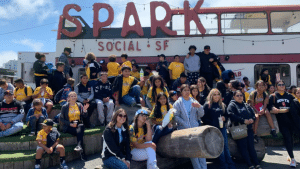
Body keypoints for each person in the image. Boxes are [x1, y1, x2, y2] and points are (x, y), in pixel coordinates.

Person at [173, 84, 206, 169]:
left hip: (195, 128)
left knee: (201, 149)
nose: (187, 92)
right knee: (193, 152)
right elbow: (175, 116)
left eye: (188, 90)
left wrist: (199, 107)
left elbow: (201, 114)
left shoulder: (193, 101)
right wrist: (184, 123)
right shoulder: (178, 103)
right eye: (185, 90)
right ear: (181, 92)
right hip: (185, 130)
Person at [202, 89, 236, 169]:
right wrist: (212, 123)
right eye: (214, 94)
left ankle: (230, 164)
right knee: (219, 147)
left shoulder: (222, 104)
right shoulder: (207, 105)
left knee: (226, 147)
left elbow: (227, 115)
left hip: (222, 128)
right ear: (211, 95)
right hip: (213, 130)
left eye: (218, 94)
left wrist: (225, 118)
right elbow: (203, 118)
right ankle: (223, 165)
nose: (217, 96)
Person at [227, 90, 261, 169]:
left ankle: (257, 164)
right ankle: (249, 165)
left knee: (251, 147)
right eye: (237, 95)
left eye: (241, 95)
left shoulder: (246, 105)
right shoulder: (232, 105)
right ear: (234, 97)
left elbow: (253, 114)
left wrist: (252, 119)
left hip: (248, 128)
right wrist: (243, 120)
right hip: (239, 129)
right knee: (243, 147)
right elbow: (230, 114)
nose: (239, 97)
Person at [268, 80, 298, 167]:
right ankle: (292, 159)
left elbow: (295, 105)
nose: (281, 86)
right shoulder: (273, 96)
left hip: (291, 121)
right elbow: (270, 106)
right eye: (279, 85)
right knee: (287, 138)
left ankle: (290, 154)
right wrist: (273, 108)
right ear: (276, 86)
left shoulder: (289, 96)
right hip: (281, 121)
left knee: (291, 138)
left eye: (283, 84)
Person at [60, 92, 89, 161]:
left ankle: (79, 146)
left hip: (78, 124)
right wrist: (70, 124)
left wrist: (84, 110)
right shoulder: (65, 107)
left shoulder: (79, 105)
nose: (73, 97)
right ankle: (82, 152)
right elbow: (61, 119)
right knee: (80, 133)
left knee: (81, 126)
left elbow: (84, 116)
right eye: (71, 96)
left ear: (76, 98)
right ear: (68, 98)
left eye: (74, 96)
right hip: (68, 125)